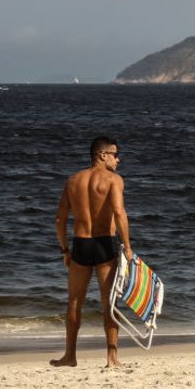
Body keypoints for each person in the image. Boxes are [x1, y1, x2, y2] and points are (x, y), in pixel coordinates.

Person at [51, 136, 133, 368]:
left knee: (74, 303)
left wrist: (65, 249)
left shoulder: (73, 180)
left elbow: (59, 219)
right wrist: (127, 246)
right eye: (115, 155)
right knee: (109, 303)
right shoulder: (114, 180)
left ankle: (70, 356)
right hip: (104, 244)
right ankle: (112, 357)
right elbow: (119, 212)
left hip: (80, 245)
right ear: (102, 155)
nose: (118, 159)